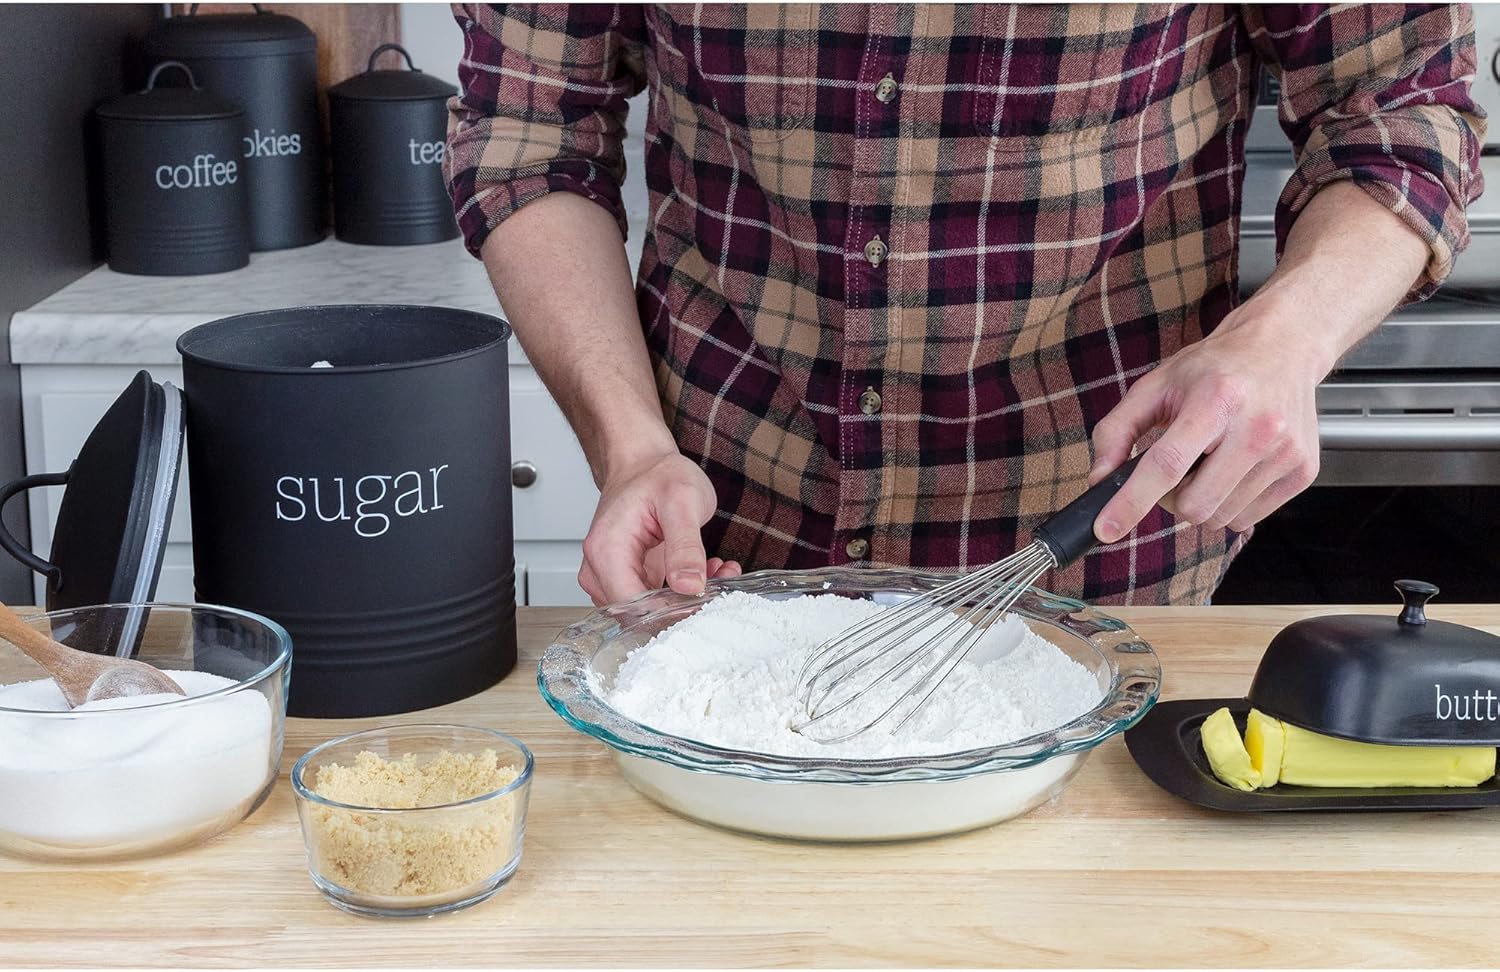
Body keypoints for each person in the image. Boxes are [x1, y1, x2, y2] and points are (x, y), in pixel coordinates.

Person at [445, 4, 1484, 607]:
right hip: (722, 547)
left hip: (1105, 552)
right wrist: (629, 451)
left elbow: (1399, 108)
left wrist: (1285, 338)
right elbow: (532, 135)